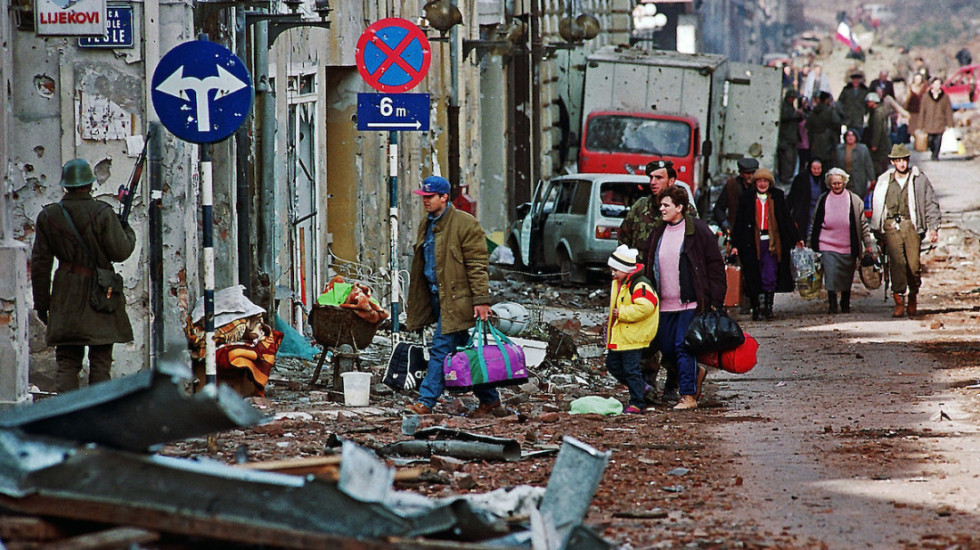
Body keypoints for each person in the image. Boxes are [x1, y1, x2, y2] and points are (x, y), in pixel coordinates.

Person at [31, 158, 137, 393]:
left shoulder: (48, 216)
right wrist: (126, 229)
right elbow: (120, 252)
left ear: (65, 185)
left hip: (65, 294)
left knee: (67, 362)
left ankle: (66, 418)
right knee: (100, 361)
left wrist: (42, 303)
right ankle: (97, 417)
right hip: (101, 293)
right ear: (90, 184)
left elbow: (40, 264)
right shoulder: (103, 212)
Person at [404, 176, 500, 417]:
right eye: (423, 197)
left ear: (444, 197)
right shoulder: (427, 224)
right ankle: (490, 400)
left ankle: (425, 402)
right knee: (464, 350)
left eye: (430, 197)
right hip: (437, 299)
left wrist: (481, 300)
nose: (425, 201)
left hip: (457, 301)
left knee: (441, 348)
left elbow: (478, 264)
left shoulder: (465, 224)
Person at [619, 159, 694, 404]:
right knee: (645, 340)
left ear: (671, 181)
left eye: (659, 178)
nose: (653, 182)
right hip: (644, 289)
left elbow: (697, 248)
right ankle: (646, 388)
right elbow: (624, 240)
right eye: (650, 177)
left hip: (674, 290)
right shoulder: (640, 208)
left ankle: (673, 385)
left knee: (674, 341)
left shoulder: (685, 210)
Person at [644, 186, 726, 410]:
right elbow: (649, 264)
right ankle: (695, 371)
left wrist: (715, 301)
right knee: (668, 349)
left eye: (666, 205)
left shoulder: (697, 231)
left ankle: (688, 396)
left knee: (683, 346)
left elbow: (715, 266)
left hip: (690, 302)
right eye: (660, 205)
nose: (661, 209)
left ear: (679, 208)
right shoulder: (658, 233)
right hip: (664, 304)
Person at [870, 144, 941, 318]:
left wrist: (933, 227)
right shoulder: (885, 180)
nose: (901, 164)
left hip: (911, 225)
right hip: (891, 226)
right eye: (898, 160)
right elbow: (877, 205)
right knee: (897, 263)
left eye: (904, 160)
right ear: (893, 162)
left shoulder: (919, 179)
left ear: (908, 161)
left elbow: (930, 203)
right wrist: (878, 231)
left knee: (913, 265)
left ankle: (913, 294)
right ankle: (899, 299)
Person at [731, 168, 803, 321]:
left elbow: (786, 219)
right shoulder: (746, 198)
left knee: (770, 274)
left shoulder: (777, 196)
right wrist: (735, 244)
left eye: (765, 181)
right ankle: (756, 308)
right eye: (759, 181)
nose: (762, 184)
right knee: (752, 276)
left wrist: (796, 238)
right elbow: (739, 223)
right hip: (751, 243)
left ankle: (768, 308)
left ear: (770, 183)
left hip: (772, 243)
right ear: (755, 182)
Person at [809, 168, 875, 314]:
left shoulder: (854, 200)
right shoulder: (823, 199)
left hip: (848, 245)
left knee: (847, 276)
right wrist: (810, 244)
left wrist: (868, 245)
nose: (837, 186)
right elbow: (814, 222)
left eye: (839, 183)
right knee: (830, 275)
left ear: (844, 182)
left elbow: (863, 225)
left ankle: (845, 302)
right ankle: (832, 303)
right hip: (827, 243)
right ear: (829, 184)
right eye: (833, 183)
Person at [605, 245, 660, 414]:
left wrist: (622, 313)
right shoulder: (621, 282)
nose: (612, 273)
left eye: (616, 270)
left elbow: (647, 307)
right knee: (612, 364)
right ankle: (641, 387)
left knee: (630, 369)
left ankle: (637, 402)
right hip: (623, 334)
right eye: (612, 269)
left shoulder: (639, 284)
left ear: (625, 269)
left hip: (633, 336)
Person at [712, 157, 758, 234]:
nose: (751, 176)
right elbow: (719, 208)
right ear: (741, 173)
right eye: (747, 173)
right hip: (736, 230)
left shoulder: (760, 185)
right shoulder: (732, 185)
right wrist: (724, 223)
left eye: (753, 173)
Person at [787, 158, 826, 237]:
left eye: (818, 169)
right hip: (804, 210)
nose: (816, 171)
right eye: (814, 169)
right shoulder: (801, 178)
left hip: (820, 209)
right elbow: (792, 196)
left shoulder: (825, 179)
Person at [833, 128, 876, 199]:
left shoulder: (863, 149)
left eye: (852, 136)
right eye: (848, 136)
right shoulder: (839, 149)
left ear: (856, 137)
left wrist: (872, 179)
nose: (850, 137)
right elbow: (836, 164)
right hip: (844, 180)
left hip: (859, 179)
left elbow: (868, 165)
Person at [919, 77, 954, 161]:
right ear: (931, 85)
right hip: (929, 121)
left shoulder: (945, 97)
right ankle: (932, 150)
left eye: (938, 84)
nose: (936, 86)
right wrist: (920, 124)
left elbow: (948, 110)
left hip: (940, 121)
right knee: (930, 139)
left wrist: (950, 123)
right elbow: (922, 110)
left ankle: (935, 155)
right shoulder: (926, 96)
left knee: (938, 139)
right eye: (935, 84)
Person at [806, 91, 843, 164]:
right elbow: (837, 122)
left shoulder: (813, 111)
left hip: (815, 139)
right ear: (826, 100)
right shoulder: (829, 110)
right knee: (828, 161)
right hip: (828, 138)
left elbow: (808, 126)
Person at [777, 89, 803, 185]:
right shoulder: (784, 107)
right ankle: (785, 177)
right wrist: (796, 114)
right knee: (786, 160)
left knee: (792, 160)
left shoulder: (791, 107)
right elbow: (785, 117)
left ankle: (788, 177)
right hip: (785, 139)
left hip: (792, 138)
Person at [863, 92, 892, 176]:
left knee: (878, 165)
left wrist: (874, 144)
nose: (867, 103)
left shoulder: (877, 113)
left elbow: (877, 130)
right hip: (883, 142)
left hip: (880, 144)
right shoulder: (880, 111)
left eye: (869, 101)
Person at [838, 70, 871, 138]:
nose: (855, 81)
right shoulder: (846, 90)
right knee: (848, 136)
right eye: (854, 80)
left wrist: (864, 112)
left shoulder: (864, 90)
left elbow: (868, 103)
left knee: (858, 136)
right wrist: (843, 112)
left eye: (857, 80)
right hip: (848, 117)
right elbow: (840, 102)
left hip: (859, 118)